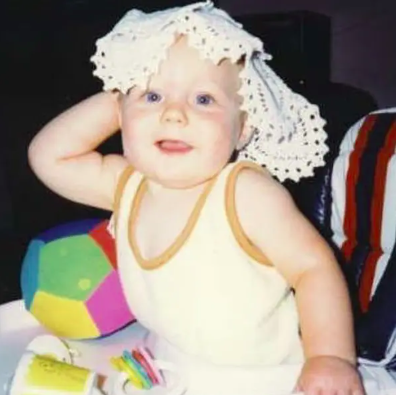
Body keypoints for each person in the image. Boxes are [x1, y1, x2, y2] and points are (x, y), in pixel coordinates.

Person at [28, 2, 364, 395]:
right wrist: (118, 97)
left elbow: (313, 268)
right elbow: (49, 158)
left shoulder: (244, 194)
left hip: (265, 377)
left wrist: (331, 357)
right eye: (152, 96)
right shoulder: (130, 185)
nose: (173, 114)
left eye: (203, 99)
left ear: (243, 130)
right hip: (169, 362)